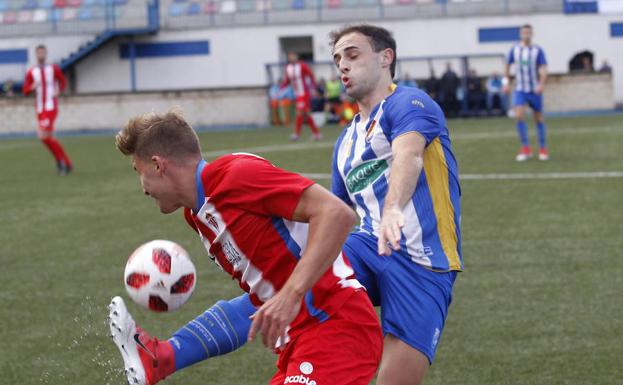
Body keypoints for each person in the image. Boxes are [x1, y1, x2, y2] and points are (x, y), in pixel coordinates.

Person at [109, 110, 382, 385]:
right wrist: (169, 353)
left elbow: (337, 213)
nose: (142, 187)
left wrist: (291, 293)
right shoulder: (196, 215)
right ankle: (159, 358)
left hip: (337, 325)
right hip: (298, 342)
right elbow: (258, 300)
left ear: (157, 165)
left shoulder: (236, 176)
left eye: (138, 171)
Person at [329, 24, 462, 385]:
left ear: (386, 58)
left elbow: (409, 155)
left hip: (424, 263)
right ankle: (167, 353)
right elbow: (335, 214)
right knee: (295, 278)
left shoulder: (409, 102)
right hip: (368, 247)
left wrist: (392, 209)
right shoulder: (344, 142)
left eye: (352, 55)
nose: (342, 65)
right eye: (337, 58)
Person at [22, 44, 73, 174]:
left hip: (50, 107)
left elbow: (63, 82)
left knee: (42, 135)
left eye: (43, 53)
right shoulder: (32, 71)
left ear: (46, 54)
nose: (41, 55)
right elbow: (25, 90)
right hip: (39, 108)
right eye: (39, 53)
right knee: (48, 137)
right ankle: (65, 163)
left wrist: (59, 90)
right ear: (36, 55)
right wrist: (31, 88)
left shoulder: (53, 68)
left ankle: (63, 161)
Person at [503, 24, 549, 161]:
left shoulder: (537, 50)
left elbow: (544, 68)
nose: (526, 34)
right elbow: (507, 66)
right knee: (519, 116)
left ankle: (542, 148)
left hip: (534, 89)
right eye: (524, 32)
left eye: (528, 32)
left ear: (532, 34)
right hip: (520, 89)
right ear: (520, 33)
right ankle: (526, 149)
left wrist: (541, 84)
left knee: (538, 118)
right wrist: (506, 82)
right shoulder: (515, 49)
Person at [280, 52, 322, 141]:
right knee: (306, 115)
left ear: (297, 57)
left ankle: (296, 134)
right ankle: (316, 134)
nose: (292, 58)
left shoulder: (302, 66)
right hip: (297, 94)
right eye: (290, 57)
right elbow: (287, 81)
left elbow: (311, 75)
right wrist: (281, 87)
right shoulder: (288, 68)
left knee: (299, 113)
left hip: (304, 93)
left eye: (293, 56)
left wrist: (313, 88)